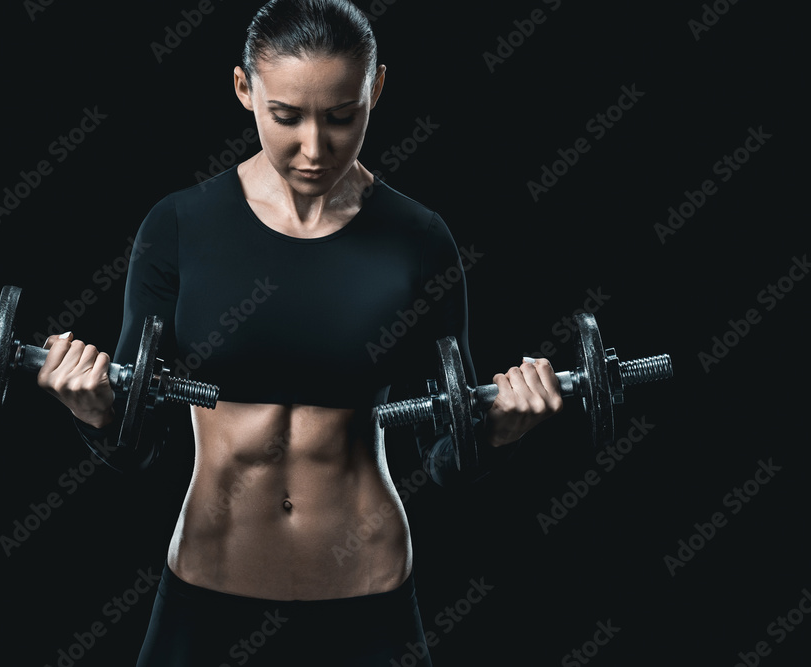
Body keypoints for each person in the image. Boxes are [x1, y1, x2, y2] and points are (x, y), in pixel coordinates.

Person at [37, 1, 563, 664]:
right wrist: (92, 415)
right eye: (286, 116)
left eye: (343, 115)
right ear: (243, 89)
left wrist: (500, 432)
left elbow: (444, 454)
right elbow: (140, 441)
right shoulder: (177, 227)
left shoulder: (420, 240)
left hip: (366, 591)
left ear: (374, 89)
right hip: (208, 590)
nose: (315, 148)